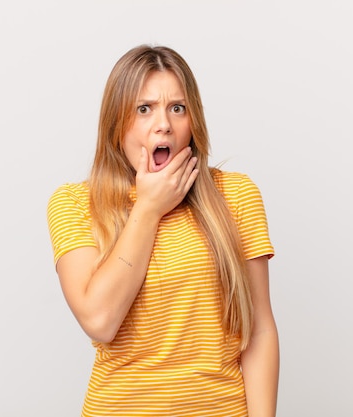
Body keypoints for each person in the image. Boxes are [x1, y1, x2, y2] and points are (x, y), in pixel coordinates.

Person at [46, 44, 279, 417]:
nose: (164, 124)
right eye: (144, 108)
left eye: (177, 107)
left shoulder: (235, 195)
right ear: (116, 123)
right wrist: (149, 208)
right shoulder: (74, 204)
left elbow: (260, 330)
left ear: (193, 121)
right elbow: (99, 321)